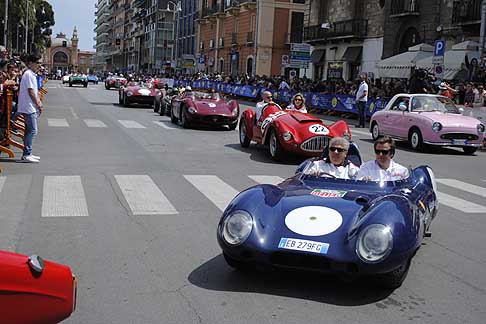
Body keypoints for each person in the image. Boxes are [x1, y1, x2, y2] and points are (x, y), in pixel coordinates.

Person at [17, 54, 43, 163]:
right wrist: (38, 103)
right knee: (33, 130)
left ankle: (27, 153)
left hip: (30, 106)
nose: (39, 66)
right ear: (31, 63)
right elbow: (31, 91)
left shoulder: (32, 74)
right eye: (37, 63)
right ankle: (27, 154)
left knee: (29, 130)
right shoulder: (28, 74)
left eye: (40, 63)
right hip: (28, 106)